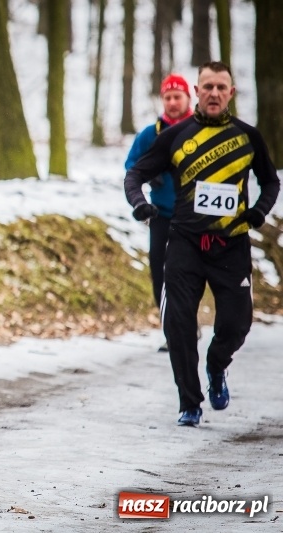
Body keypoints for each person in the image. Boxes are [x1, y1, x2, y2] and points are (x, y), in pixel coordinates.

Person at [124, 61, 280, 428]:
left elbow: (270, 182)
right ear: (197, 91)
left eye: (220, 87)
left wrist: (258, 212)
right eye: (207, 86)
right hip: (185, 244)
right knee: (177, 323)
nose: (213, 93)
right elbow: (135, 174)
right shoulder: (176, 136)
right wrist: (140, 204)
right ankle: (189, 402)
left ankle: (216, 365)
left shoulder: (247, 136)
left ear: (231, 93)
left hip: (232, 246)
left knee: (237, 324)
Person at [125, 73, 193, 352]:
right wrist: (151, 176)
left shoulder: (199, 129)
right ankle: (171, 331)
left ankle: (190, 326)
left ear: (188, 98)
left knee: (190, 275)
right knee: (159, 272)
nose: (173, 102)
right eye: (168, 97)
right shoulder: (150, 134)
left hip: (193, 218)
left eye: (178, 96)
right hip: (161, 214)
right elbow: (132, 165)